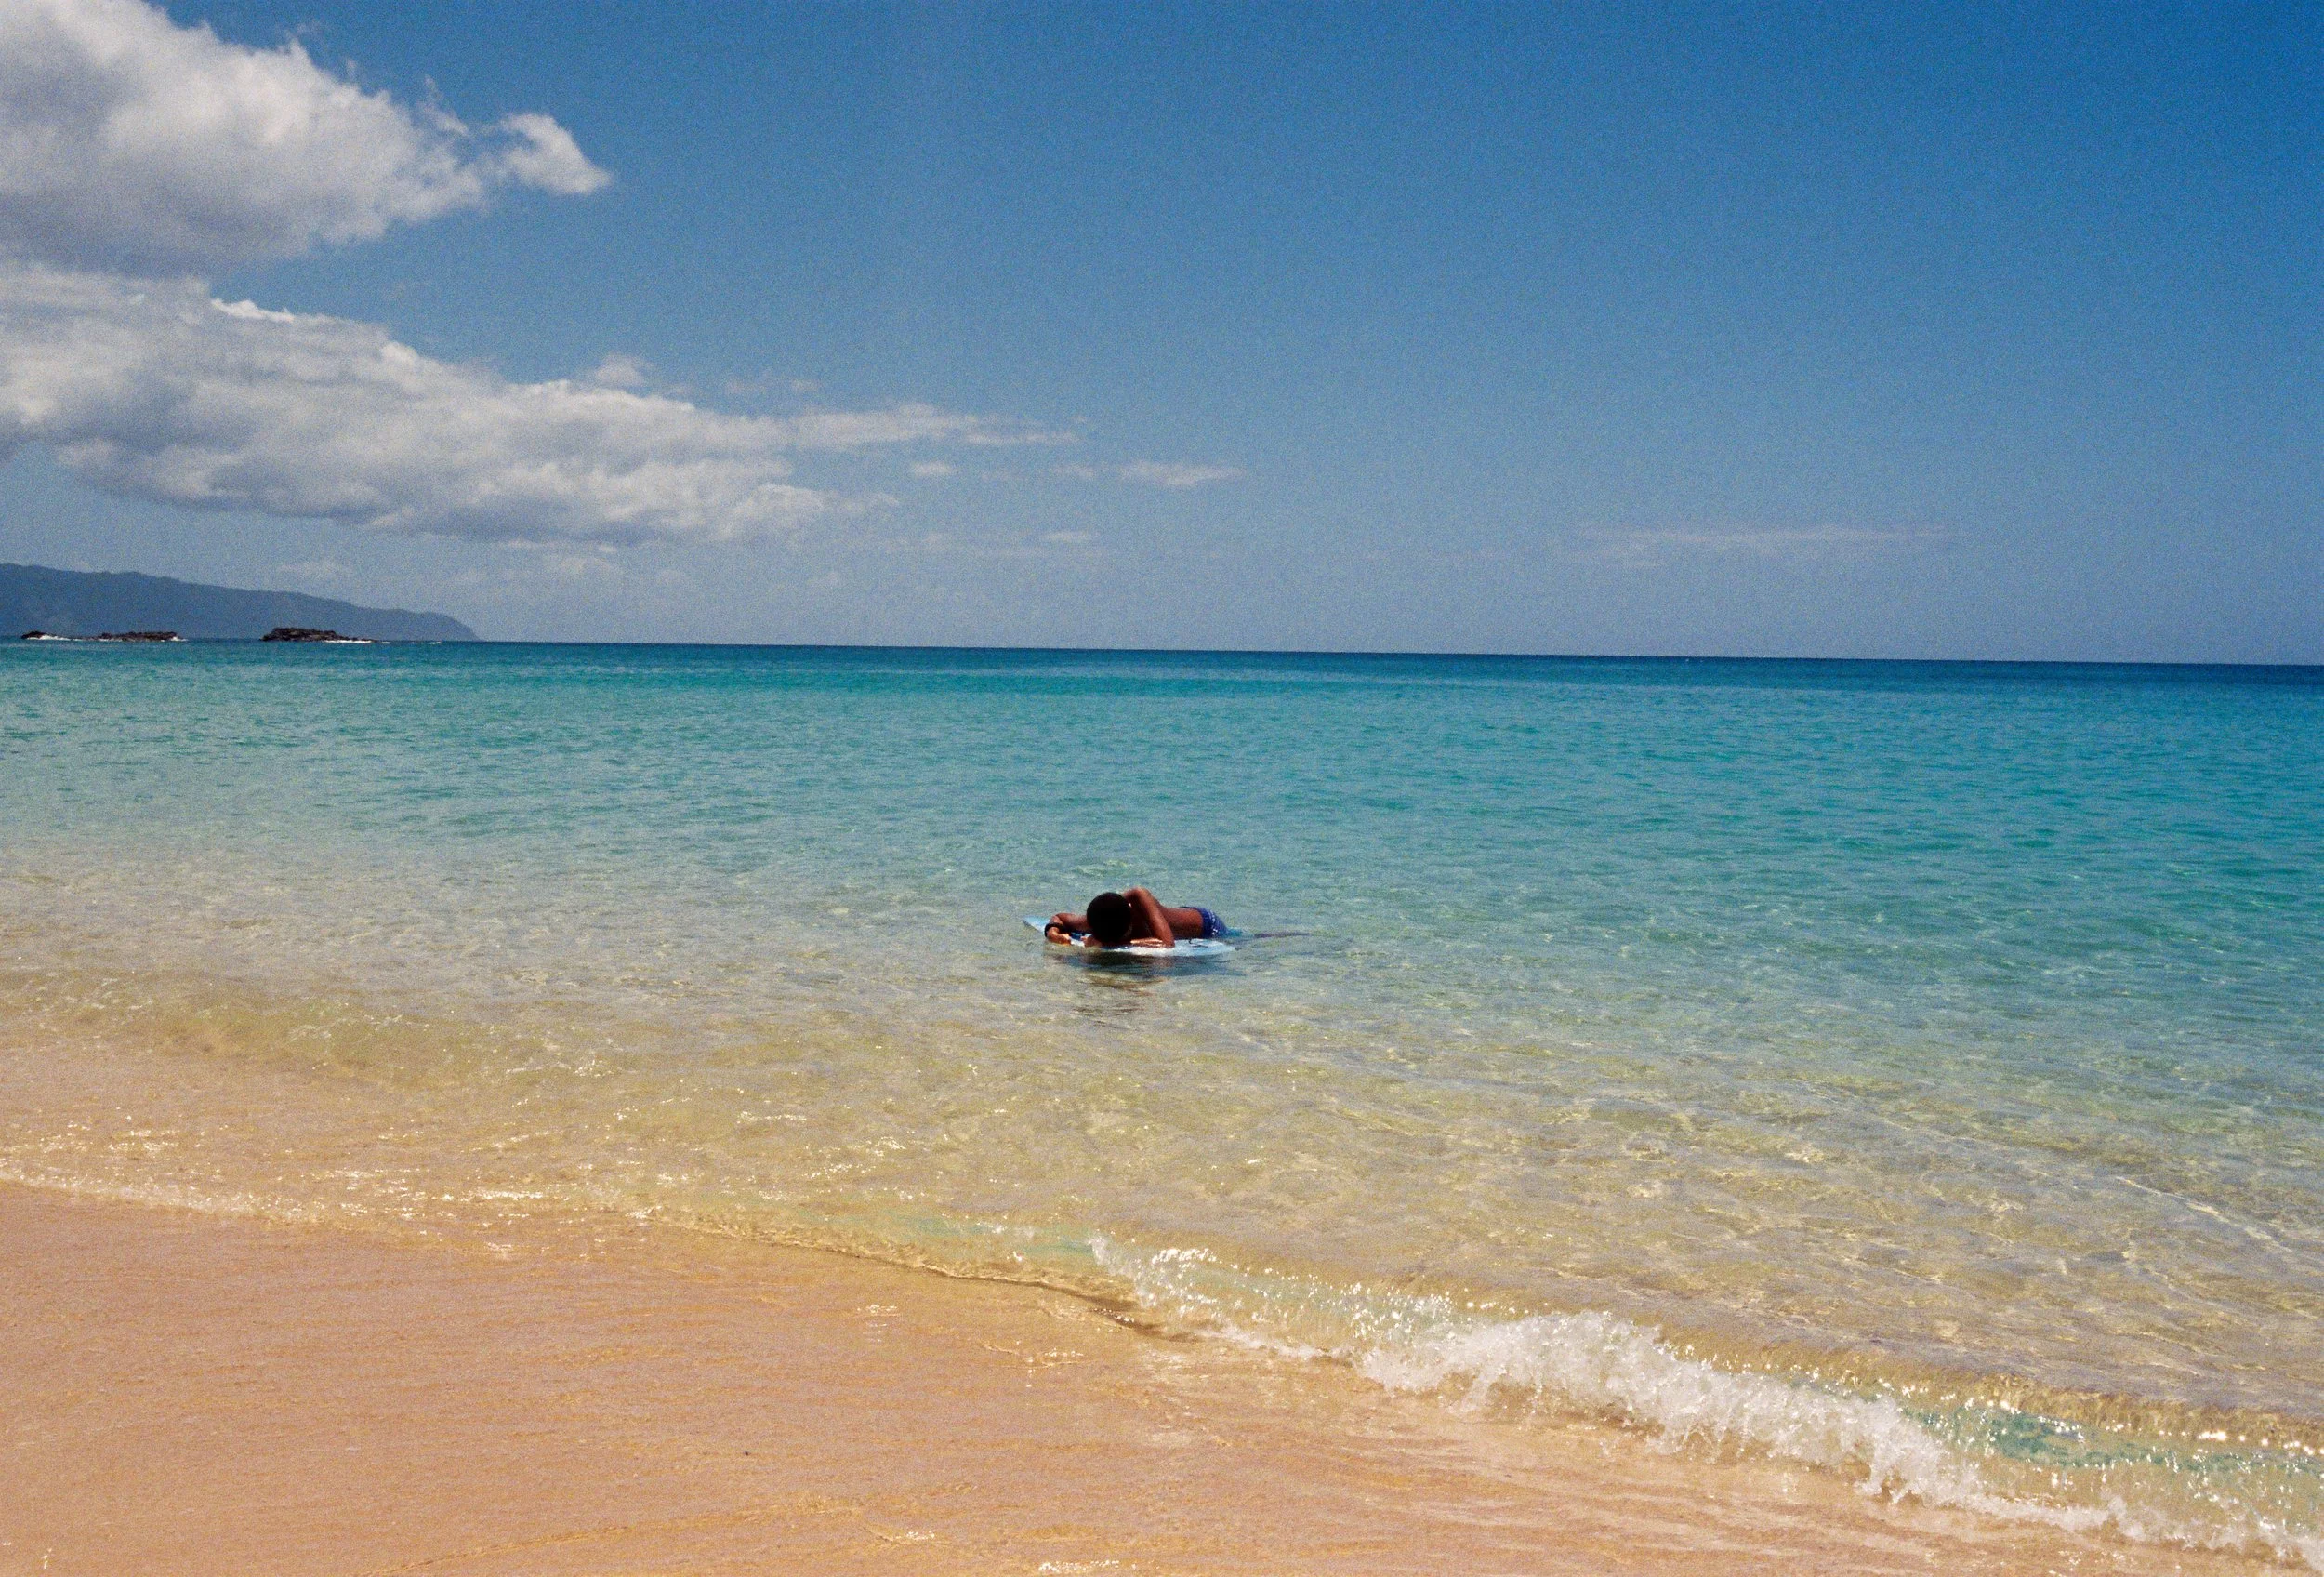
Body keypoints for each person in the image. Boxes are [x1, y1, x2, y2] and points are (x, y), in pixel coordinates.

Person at [1046, 887, 1228, 948]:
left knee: (1240, 941)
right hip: (1169, 916)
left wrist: (1117, 944)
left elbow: (1167, 944)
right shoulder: (1097, 918)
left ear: (1131, 925)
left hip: (1207, 924)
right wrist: (1053, 933)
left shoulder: (1139, 898)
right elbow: (1060, 917)